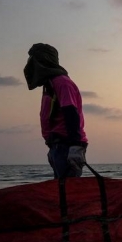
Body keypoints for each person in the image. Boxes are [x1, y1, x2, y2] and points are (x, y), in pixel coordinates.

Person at [24, 43, 88, 179]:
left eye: (33, 59)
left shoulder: (62, 82)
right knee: (60, 191)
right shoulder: (49, 86)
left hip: (67, 145)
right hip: (57, 146)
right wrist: (51, 146)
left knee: (68, 192)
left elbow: (71, 113)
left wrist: (75, 146)